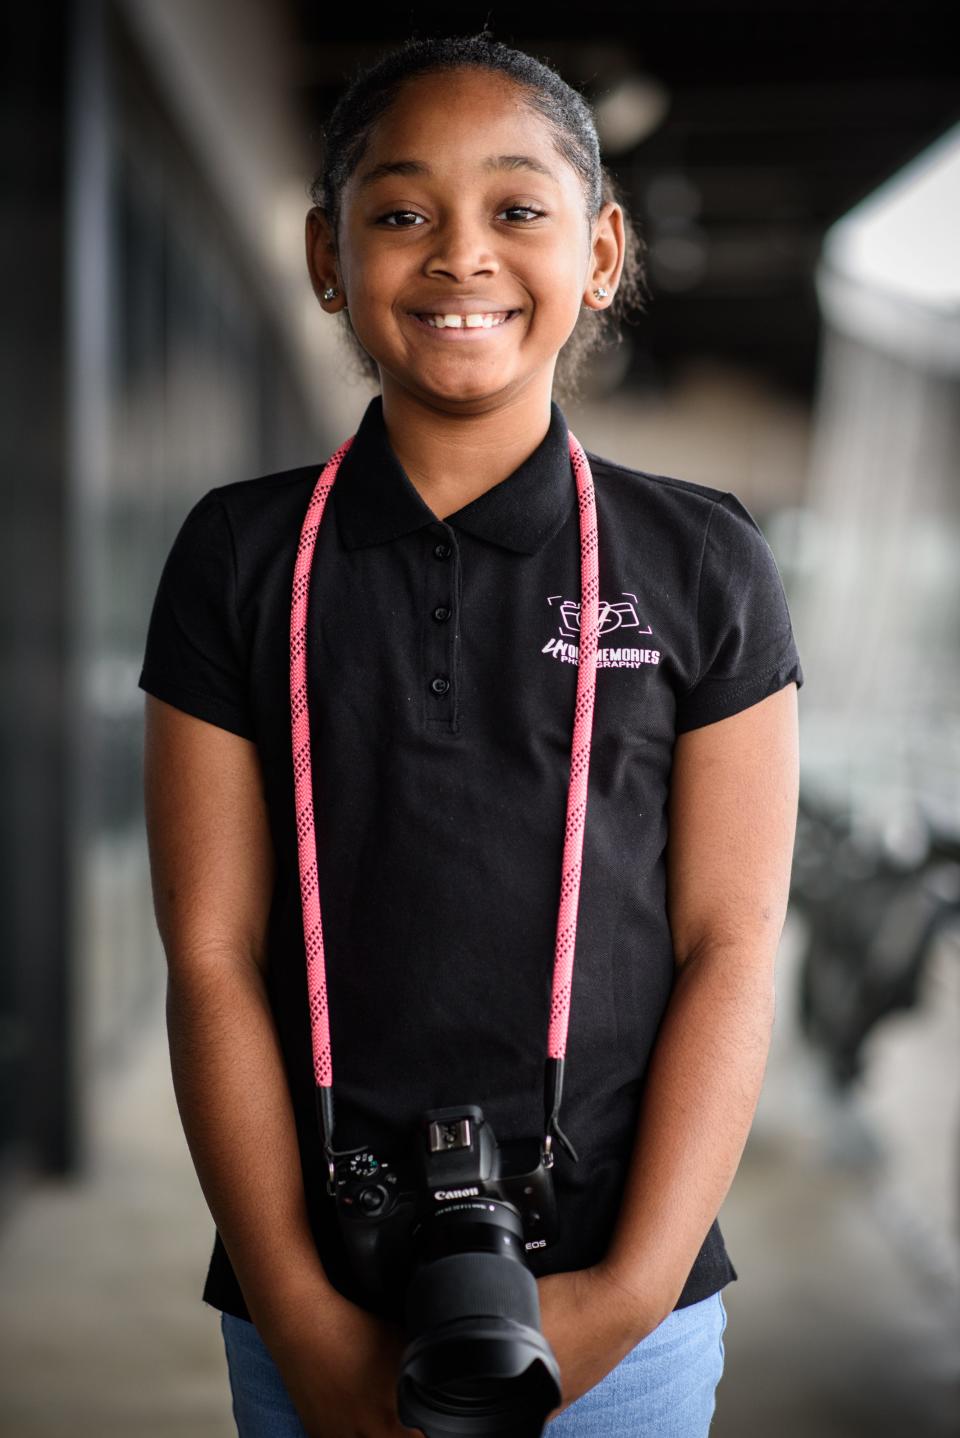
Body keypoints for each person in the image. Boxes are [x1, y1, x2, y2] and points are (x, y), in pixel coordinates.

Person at [139, 32, 802, 1438]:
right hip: (316, 1287)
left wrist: (624, 1293)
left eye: (517, 208)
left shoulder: (700, 562)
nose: (459, 255)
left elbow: (732, 943)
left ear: (604, 251)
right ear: (327, 257)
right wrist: (307, 1319)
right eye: (398, 213)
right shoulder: (240, 554)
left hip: (628, 1304)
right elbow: (209, 953)